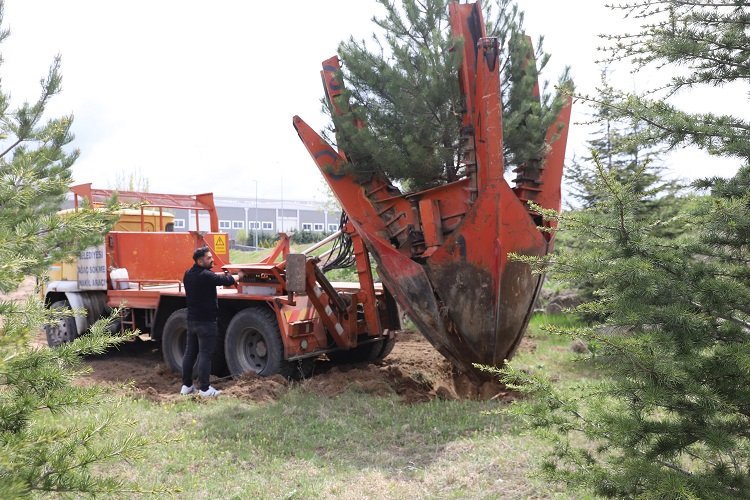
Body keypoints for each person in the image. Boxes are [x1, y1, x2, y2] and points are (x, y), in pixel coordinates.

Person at [180, 246, 235, 397]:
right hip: (206, 322)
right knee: (205, 354)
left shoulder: (188, 274)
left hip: (192, 320)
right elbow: (226, 280)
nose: (212, 260)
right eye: (209, 258)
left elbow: (213, 277)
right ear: (200, 260)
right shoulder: (206, 275)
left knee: (190, 353)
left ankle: (186, 386)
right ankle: (204, 389)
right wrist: (239, 276)